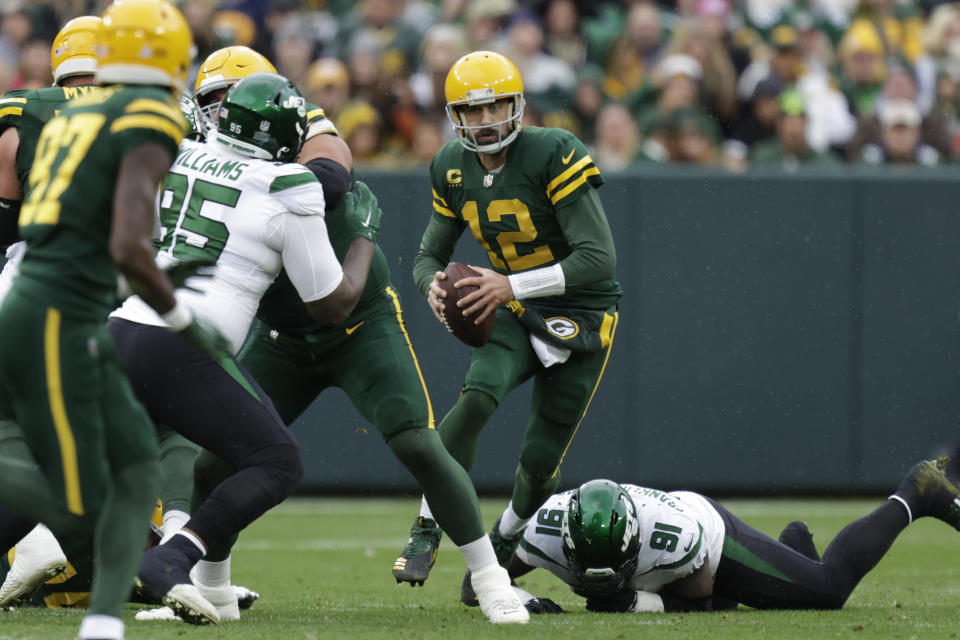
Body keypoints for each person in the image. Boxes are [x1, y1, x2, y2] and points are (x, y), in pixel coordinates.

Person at [134, 45, 529, 627]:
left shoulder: (298, 139)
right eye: (211, 102)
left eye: (228, 101)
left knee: (417, 442)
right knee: (214, 461)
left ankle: (491, 579)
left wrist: (283, 180)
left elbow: (332, 169)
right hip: (283, 329)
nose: (219, 115)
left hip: (358, 319)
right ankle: (212, 587)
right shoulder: (205, 150)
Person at [0, 2, 231, 640]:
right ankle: (52, 537)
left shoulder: (72, 110)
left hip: (42, 295)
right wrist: (181, 315)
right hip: (60, 311)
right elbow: (130, 244)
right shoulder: (146, 114)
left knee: (132, 470)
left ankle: (102, 625)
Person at [393, 50, 621, 589]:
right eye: (471, 112)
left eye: (494, 107)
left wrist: (509, 284)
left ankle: (509, 533)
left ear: (517, 106)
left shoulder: (554, 150)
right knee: (477, 396)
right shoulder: (450, 164)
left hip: (583, 314)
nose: (483, 120)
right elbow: (427, 258)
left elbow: (598, 258)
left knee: (541, 458)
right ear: (455, 116)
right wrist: (432, 288)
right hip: (515, 307)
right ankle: (427, 526)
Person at [462, 461, 960, 614]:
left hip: (710, 539)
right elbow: (474, 586)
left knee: (828, 590)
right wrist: (526, 601)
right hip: (662, 560)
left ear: (634, 543)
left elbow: (701, 592)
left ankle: (919, 492)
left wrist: (635, 604)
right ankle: (793, 549)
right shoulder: (543, 528)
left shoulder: (673, 537)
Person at [0, 15, 101, 608]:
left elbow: (6, 213)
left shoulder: (24, 110)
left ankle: (38, 536)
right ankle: (176, 554)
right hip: (128, 294)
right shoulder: (155, 110)